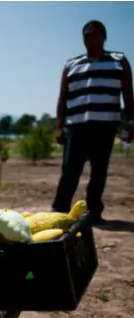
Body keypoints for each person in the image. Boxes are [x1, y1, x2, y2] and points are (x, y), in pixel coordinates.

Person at [51, 20, 134, 225]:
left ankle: (94, 211)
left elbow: (128, 95)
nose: (89, 39)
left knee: (99, 172)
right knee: (70, 170)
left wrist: (131, 123)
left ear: (103, 37)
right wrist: (59, 126)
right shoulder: (72, 65)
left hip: (105, 126)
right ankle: (59, 209)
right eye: (86, 35)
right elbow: (62, 98)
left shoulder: (118, 61)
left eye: (94, 35)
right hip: (77, 127)